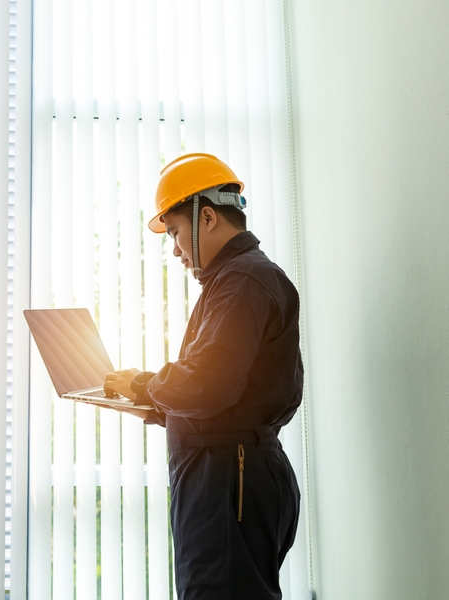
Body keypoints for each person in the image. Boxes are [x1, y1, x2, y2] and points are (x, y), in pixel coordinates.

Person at [102, 153, 303, 599]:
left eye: (174, 232)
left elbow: (210, 385)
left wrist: (144, 384)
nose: (175, 248)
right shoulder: (237, 280)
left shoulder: (243, 282)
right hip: (230, 474)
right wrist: (147, 398)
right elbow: (228, 391)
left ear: (207, 217)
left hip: (226, 480)